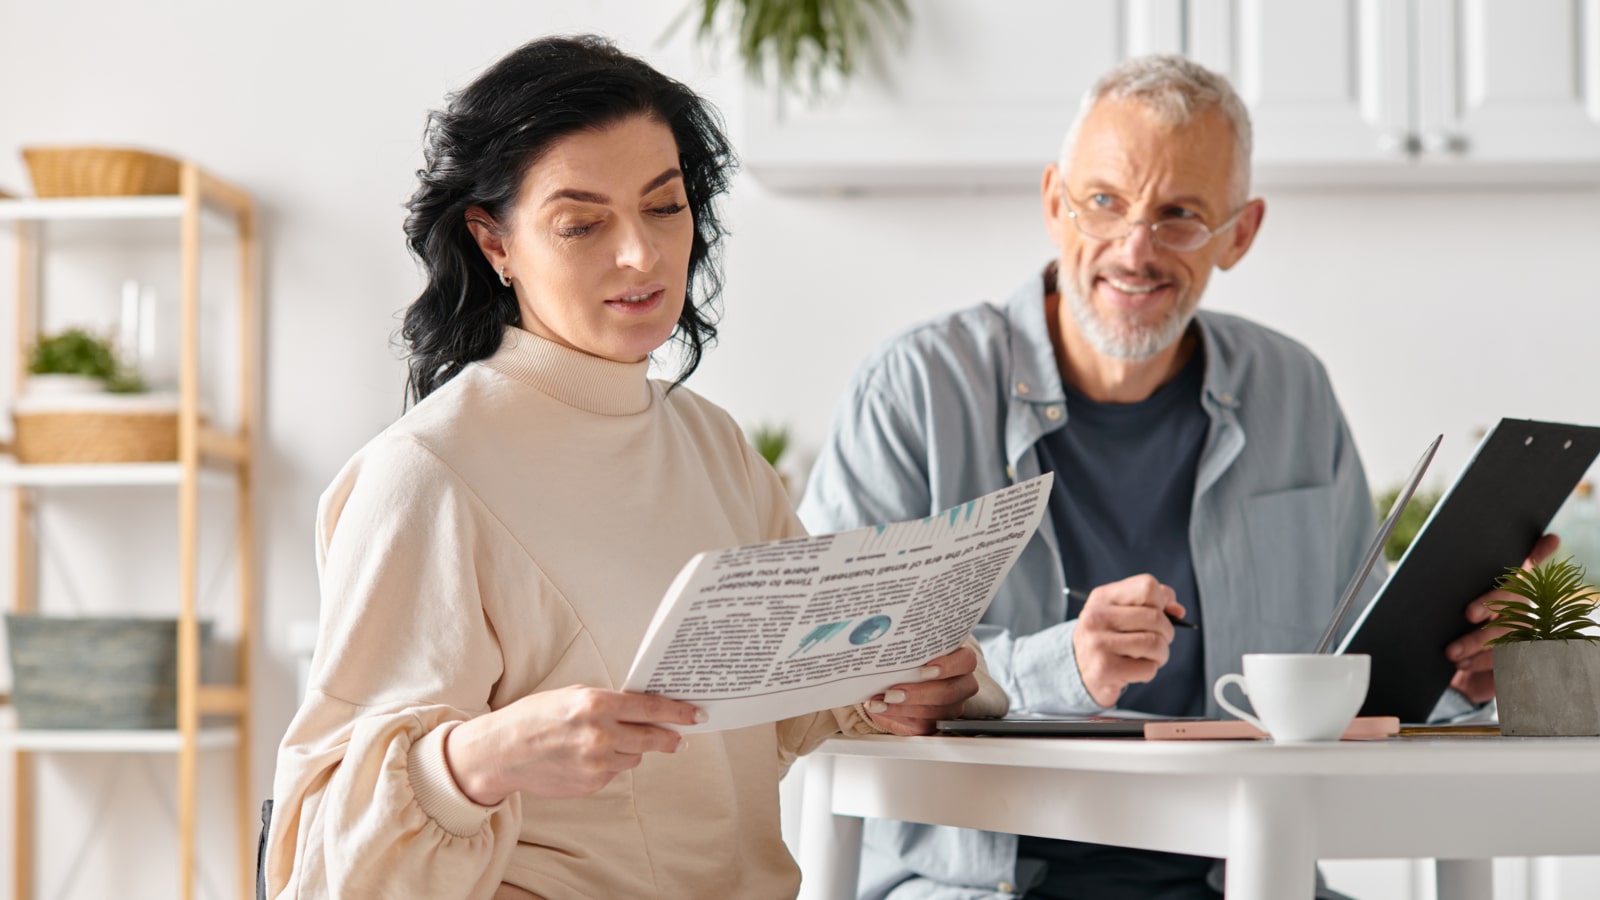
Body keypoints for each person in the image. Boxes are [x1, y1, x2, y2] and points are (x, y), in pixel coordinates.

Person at [261, 35, 1005, 900]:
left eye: (665, 207)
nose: (643, 257)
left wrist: (907, 686)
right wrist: (481, 759)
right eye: (582, 224)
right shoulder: (426, 474)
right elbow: (316, 862)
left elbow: (796, 701)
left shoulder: (715, 447)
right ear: (493, 242)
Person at [798, 54, 1554, 900]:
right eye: (1105, 202)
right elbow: (831, 662)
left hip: (1248, 875)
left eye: (1181, 215)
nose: (1136, 248)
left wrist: (1454, 673)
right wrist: (1061, 664)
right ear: (1054, 202)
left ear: (1241, 232)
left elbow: (1355, 666)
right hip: (971, 885)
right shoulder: (913, 387)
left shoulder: (1291, 388)